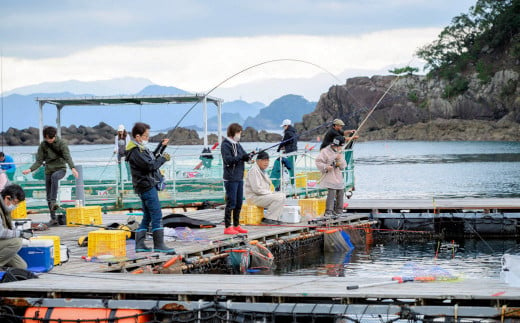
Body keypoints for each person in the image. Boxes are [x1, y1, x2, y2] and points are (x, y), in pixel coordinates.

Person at [126, 122, 174, 253]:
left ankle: (140, 245)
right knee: (157, 215)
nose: (147, 138)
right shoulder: (135, 151)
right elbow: (150, 166)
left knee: (147, 216)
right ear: (137, 136)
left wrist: (161, 147)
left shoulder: (138, 149)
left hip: (144, 186)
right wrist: (163, 159)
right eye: (145, 136)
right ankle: (159, 245)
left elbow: (151, 157)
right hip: (146, 187)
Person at [22, 126, 79, 225]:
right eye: (48, 138)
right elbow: (39, 161)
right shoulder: (43, 145)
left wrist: (73, 168)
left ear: (54, 136)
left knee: (54, 177)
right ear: (45, 137)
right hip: (48, 170)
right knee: (48, 196)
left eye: (51, 138)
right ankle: (53, 218)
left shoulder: (62, 143)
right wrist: (30, 169)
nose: (50, 140)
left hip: (61, 169)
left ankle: (53, 201)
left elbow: (67, 157)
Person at [221, 123, 253, 235]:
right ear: (233, 132)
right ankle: (227, 227)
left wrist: (249, 156)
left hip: (239, 177)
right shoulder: (225, 144)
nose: (240, 135)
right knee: (231, 202)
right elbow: (228, 160)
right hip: (230, 178)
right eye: (239, 133)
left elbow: (243, 156)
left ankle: (236, 225)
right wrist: (241, 157)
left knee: (239, 202)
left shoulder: (238, 144)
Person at [245, 151, 286, 225]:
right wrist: (270, 193)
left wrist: (270, 193)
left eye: (267, 160)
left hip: (261, 196)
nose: (266, 163)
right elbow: (256, 189)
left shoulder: (263, 171)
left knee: (282, 195)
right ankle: (269, 218)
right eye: (263, 160)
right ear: (258, 161)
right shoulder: (253, 171)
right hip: (254, 198)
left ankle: (273, 218)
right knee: (279, 197)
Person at [0, 184, 32, 269]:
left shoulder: (5, 209)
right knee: (16, 242)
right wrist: (20, 233)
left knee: (21, 267)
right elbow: (0, 232)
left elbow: (8, 228)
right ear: (7, 198)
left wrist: (22, 232)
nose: (15, 206)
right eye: (16, 202)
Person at [315, 136, 347, 217]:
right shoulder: (325, 151)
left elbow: (343, 166)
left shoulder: (340, 152)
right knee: (331, 192)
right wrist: (326, 166)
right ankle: (329, 212)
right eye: (339, 146)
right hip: (329, 176)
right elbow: (318, 162)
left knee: (341, 191)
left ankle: (339, 211)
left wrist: (340, 160)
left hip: (338, 175)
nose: (339, 148)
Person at [271, 119, 297, 190]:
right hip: (294, 152)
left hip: (290, 154)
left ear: (287, 126)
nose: (283, 128)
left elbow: (283, 142)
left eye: (284, 126)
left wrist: (278, 149)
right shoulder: (294, 132)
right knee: (291, 170)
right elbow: (290, 143)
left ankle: (276, 185)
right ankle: (292, 184)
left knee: (280, 165)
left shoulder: (288, 132)